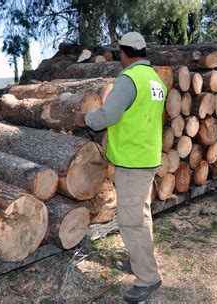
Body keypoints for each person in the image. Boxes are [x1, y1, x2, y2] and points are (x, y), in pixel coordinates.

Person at [73, 32, 166, 303]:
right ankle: (141, 263)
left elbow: (107, 116)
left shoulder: (129, 78)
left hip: (132, 160)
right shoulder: (156, 80)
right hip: (147, 157)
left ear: (124, 54)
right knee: (142, 216)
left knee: (130, 220)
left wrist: (83, 119)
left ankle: (148, 278)